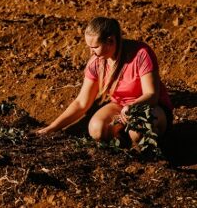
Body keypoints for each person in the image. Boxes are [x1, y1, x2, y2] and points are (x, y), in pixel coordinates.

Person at [36, 17, 173, 145]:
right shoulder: (96, 63)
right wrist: (52, 128)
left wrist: (132, 107)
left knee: (138, 131)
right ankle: (124, 143)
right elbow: (81, 103)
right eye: (89, 47)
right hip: (120, 106)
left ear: (111, 41)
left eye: (95, 47)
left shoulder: (141, 53)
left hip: (150, 107)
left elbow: (152, 95)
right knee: (97, 129)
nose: (91, 52)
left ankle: (150, 149)